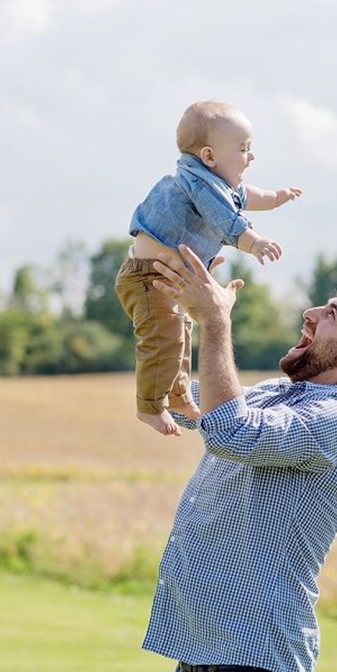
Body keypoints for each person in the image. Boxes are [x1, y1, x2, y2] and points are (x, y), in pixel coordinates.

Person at [142, 244, 337, 672]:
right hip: (205, 665)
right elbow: (182, 400)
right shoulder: (278, 392)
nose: (310, 312)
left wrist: (216, 322)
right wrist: (171, 308)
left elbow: (231, 432)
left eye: (332, 314)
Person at [115, 100, 302, 437]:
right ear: (209, 157)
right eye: (243, 149)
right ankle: (150, 406)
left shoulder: (216, 183)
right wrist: (253, 242)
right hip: (147, 277)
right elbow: (228, 219)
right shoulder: (200, 185)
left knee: (182, 335)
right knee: (163, 341)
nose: (252, 156)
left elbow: (246, 195)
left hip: (164, 277)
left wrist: (276, 196)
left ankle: (179, 396)